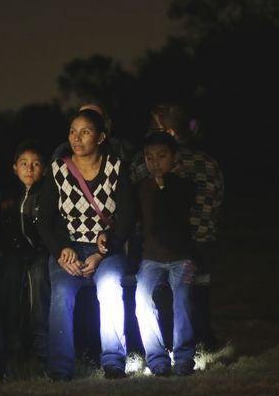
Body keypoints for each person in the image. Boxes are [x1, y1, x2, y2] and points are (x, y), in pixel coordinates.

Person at [37, 109, 135, 381]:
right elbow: (44, 218)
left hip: (105, 248)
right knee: (62, 295)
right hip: (69, 249)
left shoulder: (115, 167)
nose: (76, 139)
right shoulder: (58, 169)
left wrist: (103, 253)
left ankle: (114, 362)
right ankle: (60, 368)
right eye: (72, 131)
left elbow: (126, 217)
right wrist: (60, 250)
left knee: (110, 289)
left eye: (85, 132)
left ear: (101, 137)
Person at [130, 102, 224, 350]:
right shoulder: (208, 162)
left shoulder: (144, 165)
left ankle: (174, 348)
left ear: (169, 133)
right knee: (195, 297)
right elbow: (212, 207)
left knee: (166, 298)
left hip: (168, 246)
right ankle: (201, 343)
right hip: (199, 243)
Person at [133, 131, 198, 376]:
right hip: (151, 258)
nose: (155, 163)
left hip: (181, 257)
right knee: (142, 300)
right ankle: (157, 359)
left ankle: (183, 358)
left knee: (182, 300)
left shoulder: (183, 186)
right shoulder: (141, 188)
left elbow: (176, 211)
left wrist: (165, 185)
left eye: (161, 156)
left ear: (174, 158)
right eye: (149, 158)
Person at [0, 139, 50, 365]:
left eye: (36, 164)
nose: (29, 169)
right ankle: (14, 345)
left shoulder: (47, 194)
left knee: (39, 286)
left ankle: (41, 345)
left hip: (39, 252)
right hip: (13, 253)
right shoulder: (8, 196)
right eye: (24, 163)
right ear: (15, 167)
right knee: (10, 287)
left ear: (44, 169)